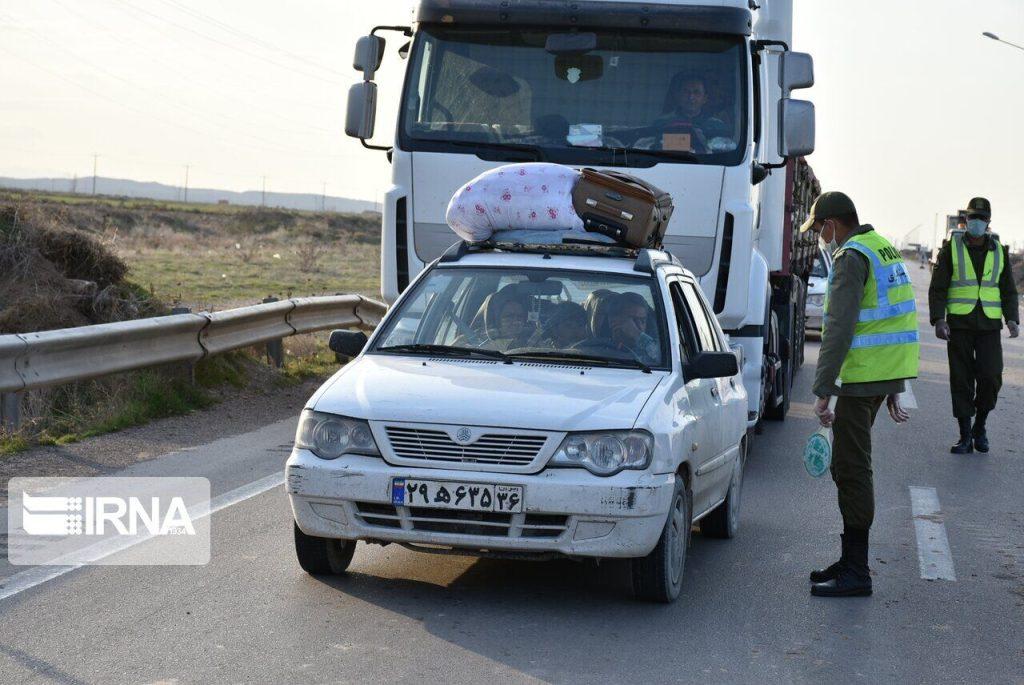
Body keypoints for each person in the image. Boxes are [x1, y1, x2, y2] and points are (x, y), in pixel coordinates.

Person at [802, 191, 919, 598]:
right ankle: (849, 559)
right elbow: (895, 320)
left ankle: (856, 570)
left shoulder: (851, 257)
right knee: (846, 466)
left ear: (833, 224)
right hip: (877, 378)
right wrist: (893, 387)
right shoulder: (883, 248)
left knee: (852, 470)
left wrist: (822, 390)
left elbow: (838, 328)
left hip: (860, 382)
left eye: (819, 229)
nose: (820, 237)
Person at [928, 197, 1019, 454]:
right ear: (965, 220)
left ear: (988, 222)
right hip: (960, 325)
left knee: (991, 377)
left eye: (981, 218)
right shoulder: (951, 249)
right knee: (962, 379)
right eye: (972, 218)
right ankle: (965, 435)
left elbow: (1009, 290)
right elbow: (938, 287)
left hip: (989, 325)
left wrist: (1012, 318)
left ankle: (980, 426)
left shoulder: (999, 251)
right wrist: (939, 319)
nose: (976, 222)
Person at [655, 74, 730, 143]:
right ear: (678, 96)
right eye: (686, 92)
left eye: (696, 92)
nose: (691, 97)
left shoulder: (717, 126)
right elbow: (655, 145)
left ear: (705, 98)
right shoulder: (662, 123)